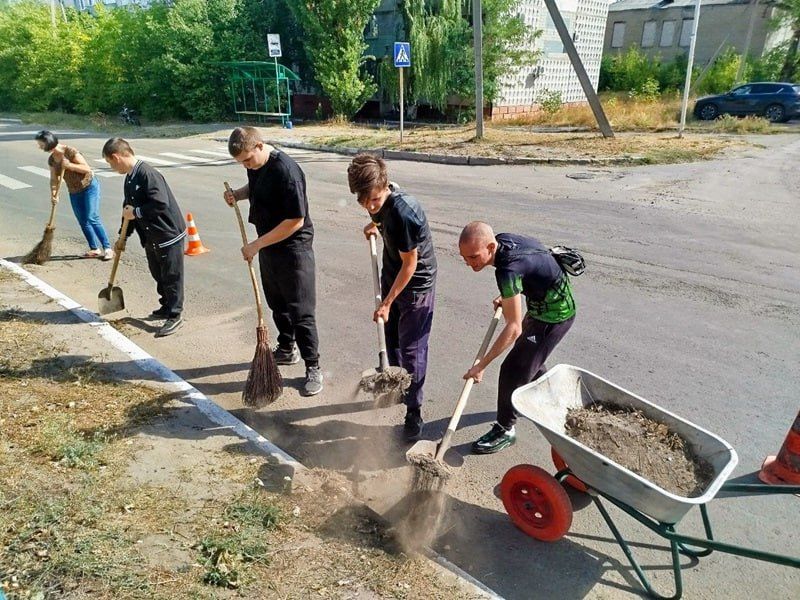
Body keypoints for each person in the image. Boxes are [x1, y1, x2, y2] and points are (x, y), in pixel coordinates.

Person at [459, 221, 576, 454]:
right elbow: (531, 267)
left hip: (554, 317)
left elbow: (513, 328)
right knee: (529, 359)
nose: (469, 263)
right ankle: (552, 399)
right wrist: (508, 294)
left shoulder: (507, 270)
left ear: (491, 247)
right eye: (464, 258)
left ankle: (505, 430)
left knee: (512, 369)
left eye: (473, 257)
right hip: (542, 305)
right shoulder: (504, 243)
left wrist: (481, 366)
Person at [224, 127, 323, 397]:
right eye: (241, 163)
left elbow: (295, 220)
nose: (246, 165)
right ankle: (287, 348)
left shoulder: (287, 172)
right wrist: (238, 194)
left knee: (300, 310)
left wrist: (256, 245)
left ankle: (313, 366)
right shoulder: (256, 165)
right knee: (277, 302)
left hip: (294, 249)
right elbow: (256, 187)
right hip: (268, 244)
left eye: (247, 159)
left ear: (259, 145)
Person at [347, 154, 437, 441]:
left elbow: (410, 264)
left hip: (416, 284)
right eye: (363, 202)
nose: (369, 206)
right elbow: (380, 217)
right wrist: (376, 225)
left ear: (385, 186)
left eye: (374, 200)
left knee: (413, 350)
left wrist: (386, 303)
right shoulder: (377, 201)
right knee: (392, 337)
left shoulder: (404, 213)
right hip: (392, 272)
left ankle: (414, 411)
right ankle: (396, 383)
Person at [102, 137, 186, 338]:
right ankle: (166, 305)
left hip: (167, 233)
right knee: (158, 273)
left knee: (171, 276)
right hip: (150, 236)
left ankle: (175, 314)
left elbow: (160, 204)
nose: (112, 168)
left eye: (110, 163)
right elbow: (128, 211)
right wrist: (123, 236)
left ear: (116, 157)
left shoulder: (148, 174)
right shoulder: (130, 178)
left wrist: (136, 213)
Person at [35, 130, 113, 260]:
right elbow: (54, 179)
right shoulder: (52, 160)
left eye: (41, 144)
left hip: (89, 186)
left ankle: (107, 248)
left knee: (92, 217)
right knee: (82, 220)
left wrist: (69, 165)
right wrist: (54, 194)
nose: (40, 147)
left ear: (48, 142)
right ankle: (94, 248)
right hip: (74, 191)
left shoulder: (70, 152)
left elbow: (86, 168)